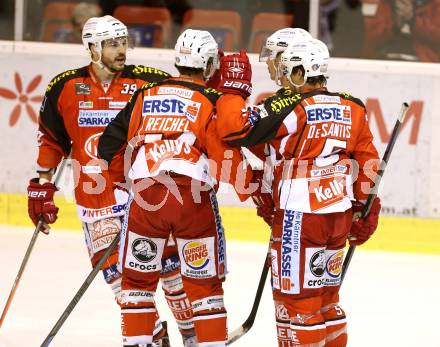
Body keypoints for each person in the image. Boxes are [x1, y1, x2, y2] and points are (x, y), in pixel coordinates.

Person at [26, 15, 197, 347]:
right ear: (92, 48)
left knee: (171, 274)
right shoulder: (64, 86)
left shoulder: (150, 82)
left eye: (124, 42)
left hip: (147, 196)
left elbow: (189, 105)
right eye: (112, 44)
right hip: (97, 202)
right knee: (122, 284)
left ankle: (193, 336)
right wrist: (42, 184)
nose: (122, 50)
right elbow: (52, 139)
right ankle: (154, 336)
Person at [214, 38, 382, 346]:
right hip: (338, 216)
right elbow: (368, 163)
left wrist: (231, 91)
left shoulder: (290, 106)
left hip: (300, 218)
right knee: (326, 300)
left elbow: (232, 129)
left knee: (299, 305)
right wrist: (366, 208)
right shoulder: (352, 106)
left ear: (301, 73)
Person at [97, 28, 255, 347]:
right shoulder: (212, 99)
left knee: (137, 285)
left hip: (145, 196)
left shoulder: (146, 95)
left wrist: (125, 183)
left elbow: (108, 145)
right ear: (209, 64)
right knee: (203, 286)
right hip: (190, 199)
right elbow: (226, 160)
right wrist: (251, 187)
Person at [362, 0, 440, 62]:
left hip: (421, 63)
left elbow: (436, 38)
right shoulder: (387, 3)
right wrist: (396, 23)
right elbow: (372, 40)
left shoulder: (434, 4)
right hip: (386, 60)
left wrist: (412, 19)